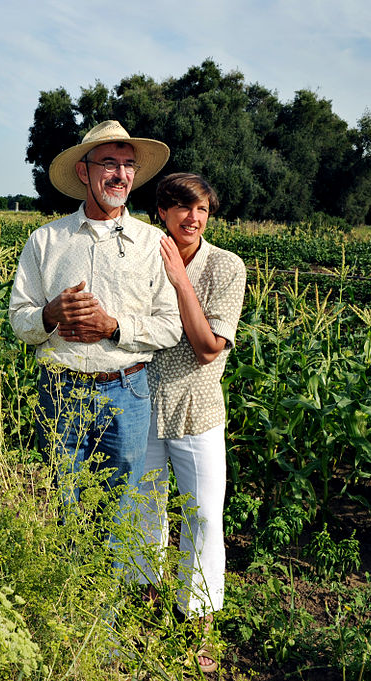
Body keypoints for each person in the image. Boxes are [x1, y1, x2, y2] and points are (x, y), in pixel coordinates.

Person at [8, 120, 182, 545]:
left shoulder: (152, 243)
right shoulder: (46, 241)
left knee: (117, 513)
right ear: (84, 171)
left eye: (128, 165)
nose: (120, 174)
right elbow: (19, 319)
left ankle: (102, 611)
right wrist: (49, 315)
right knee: (61, 508)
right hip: (59, 389)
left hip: (126, 392)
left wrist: (114, 327)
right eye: (109, 163)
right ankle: (65, 607)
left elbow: (171, 325)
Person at [135, 172, 246, 674]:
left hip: (197, 411)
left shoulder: (226, 266)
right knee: (142, 517)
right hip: (142, 404)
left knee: (202, 520)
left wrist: (181, 279)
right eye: (181, 207)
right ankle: (146, 612)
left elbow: (206, 349)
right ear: (162, 211)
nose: (192, 218)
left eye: (200, 209)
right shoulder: (141, 253)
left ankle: (198, 625)